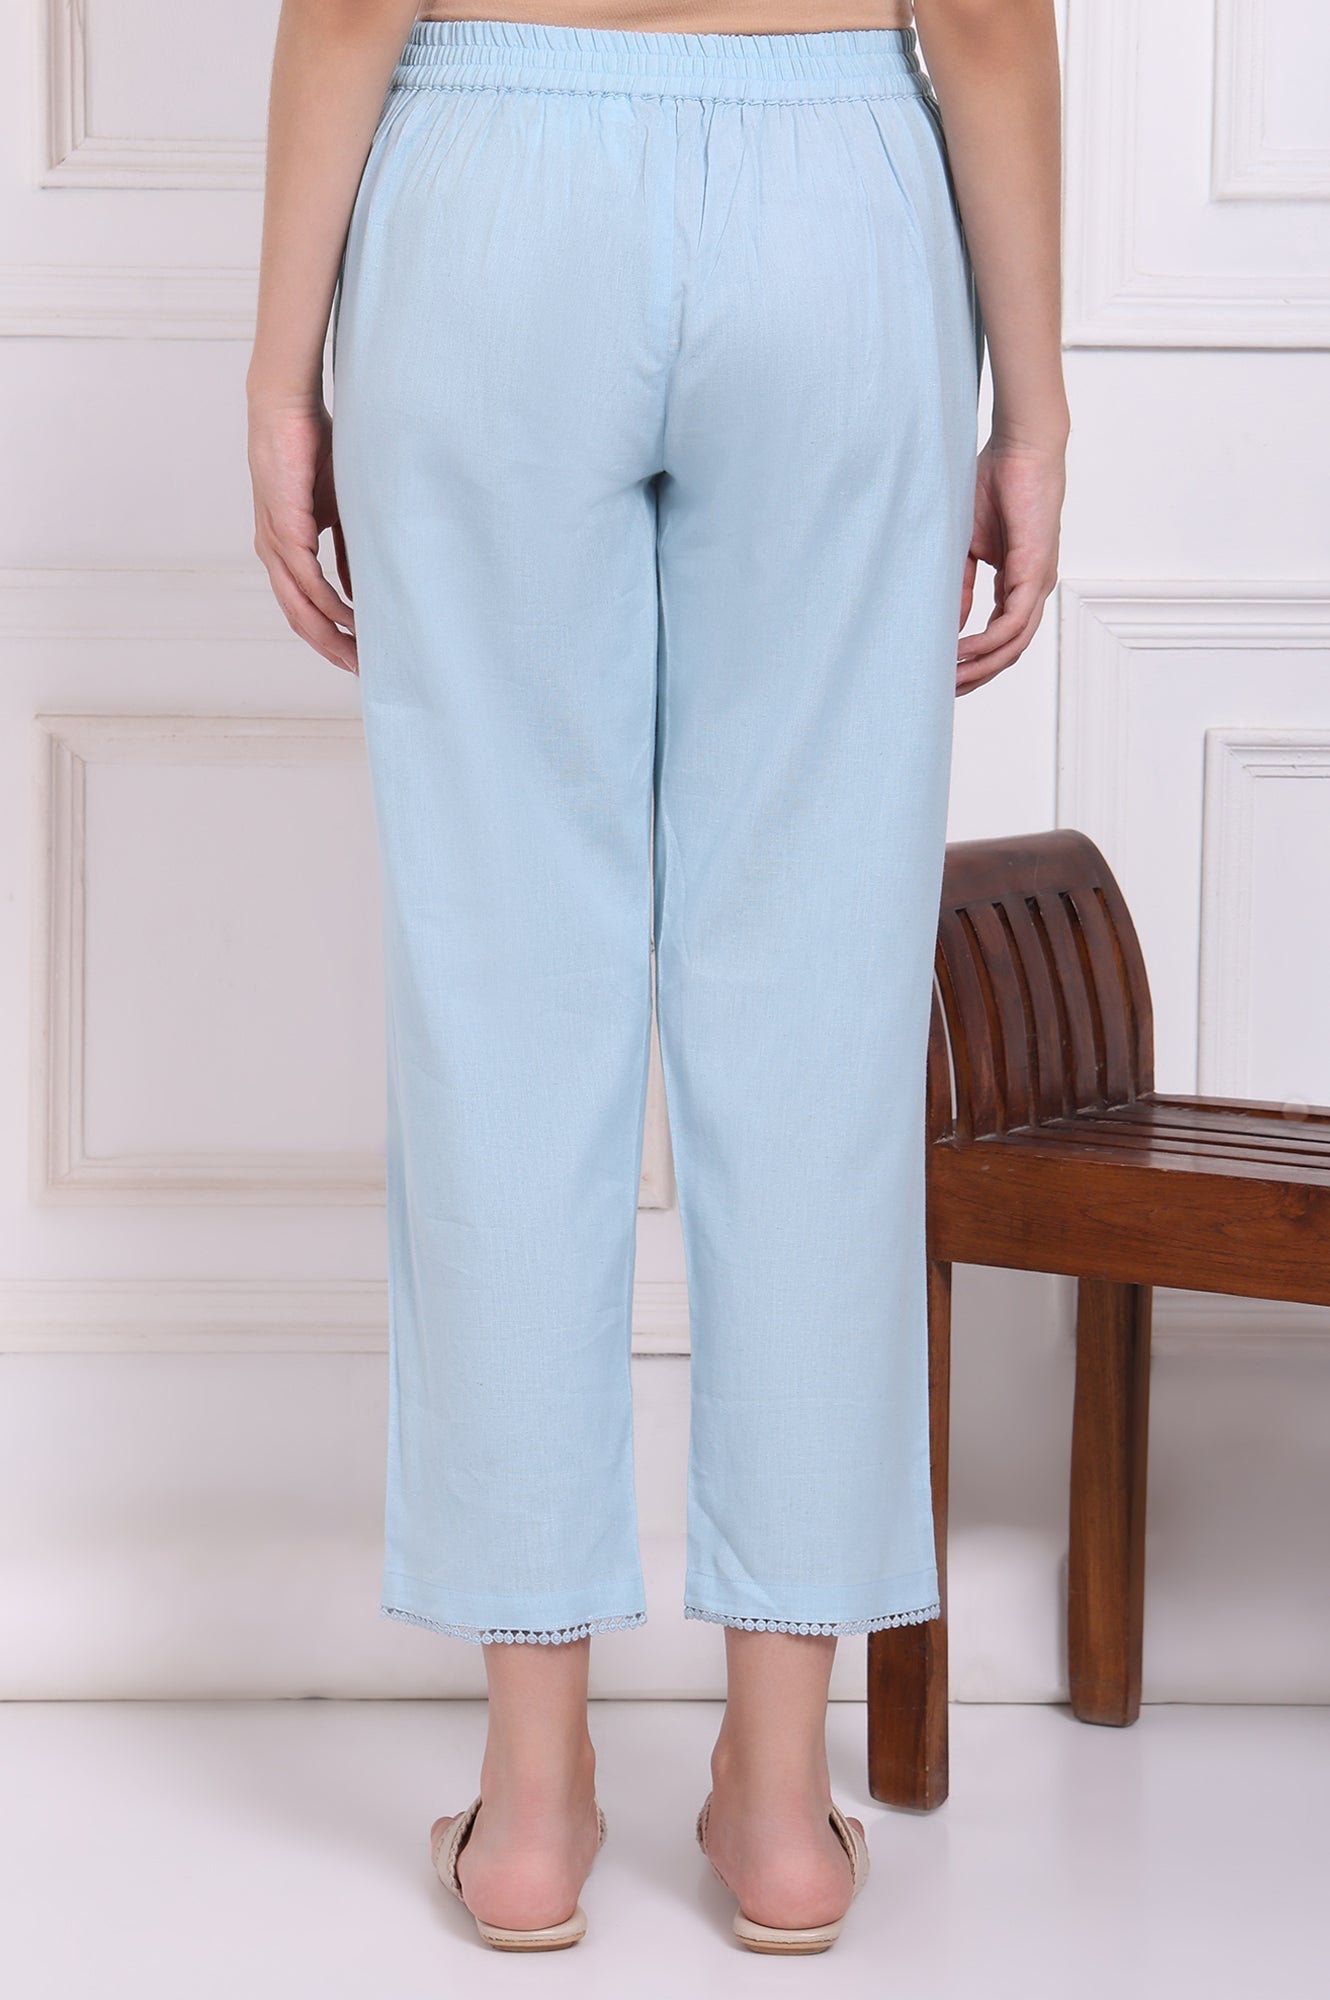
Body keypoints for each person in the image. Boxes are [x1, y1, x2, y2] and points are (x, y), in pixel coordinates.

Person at [246, 0, 1067, 1955]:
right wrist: (1030, 409)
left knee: (502, 998)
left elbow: (351, 4)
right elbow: (979, 14)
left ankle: (531, 1810)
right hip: (836, 194)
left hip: (489, 194)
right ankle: (778, 1807)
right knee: (817, 1013)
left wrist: (280, 377)